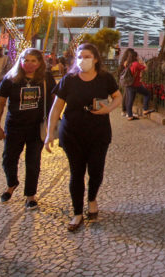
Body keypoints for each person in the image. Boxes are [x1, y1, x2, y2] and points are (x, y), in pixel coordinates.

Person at [44, 43, 123, 231]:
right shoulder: (69, 80)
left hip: (98, 132)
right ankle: (77, 212)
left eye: (87, 56)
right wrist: (49, 133)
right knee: (76, 173)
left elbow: (118, 97)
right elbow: (56, 107)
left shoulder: (105, 78)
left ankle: (92, 198)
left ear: (95, 59)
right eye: (79, 57)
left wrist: (109, 109)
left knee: (96, 171)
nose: (82, 60)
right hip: (72, 133)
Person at [0, 48, 56, 210]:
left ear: (40, 63)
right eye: (25, 60)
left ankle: (30, 195)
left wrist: (53, 123)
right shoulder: (11, 79)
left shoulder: (46, 78)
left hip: (37, 127)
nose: (28, 64)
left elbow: (54, 100)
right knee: (9, 158)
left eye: (33, 61)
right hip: (14, 126)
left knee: (33, 161)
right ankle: (12, 184)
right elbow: (0, 103)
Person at [119, 49, 153, 120]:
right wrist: (143, 63)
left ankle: (130, 116)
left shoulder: (127, 63)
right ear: (135, 56)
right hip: (136, 85)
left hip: (128, 84)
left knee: (129, 100)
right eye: (137, 56)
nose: (138, 57)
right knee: (147, 94)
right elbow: (146, 68)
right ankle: (145, 109)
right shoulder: (136, 64)